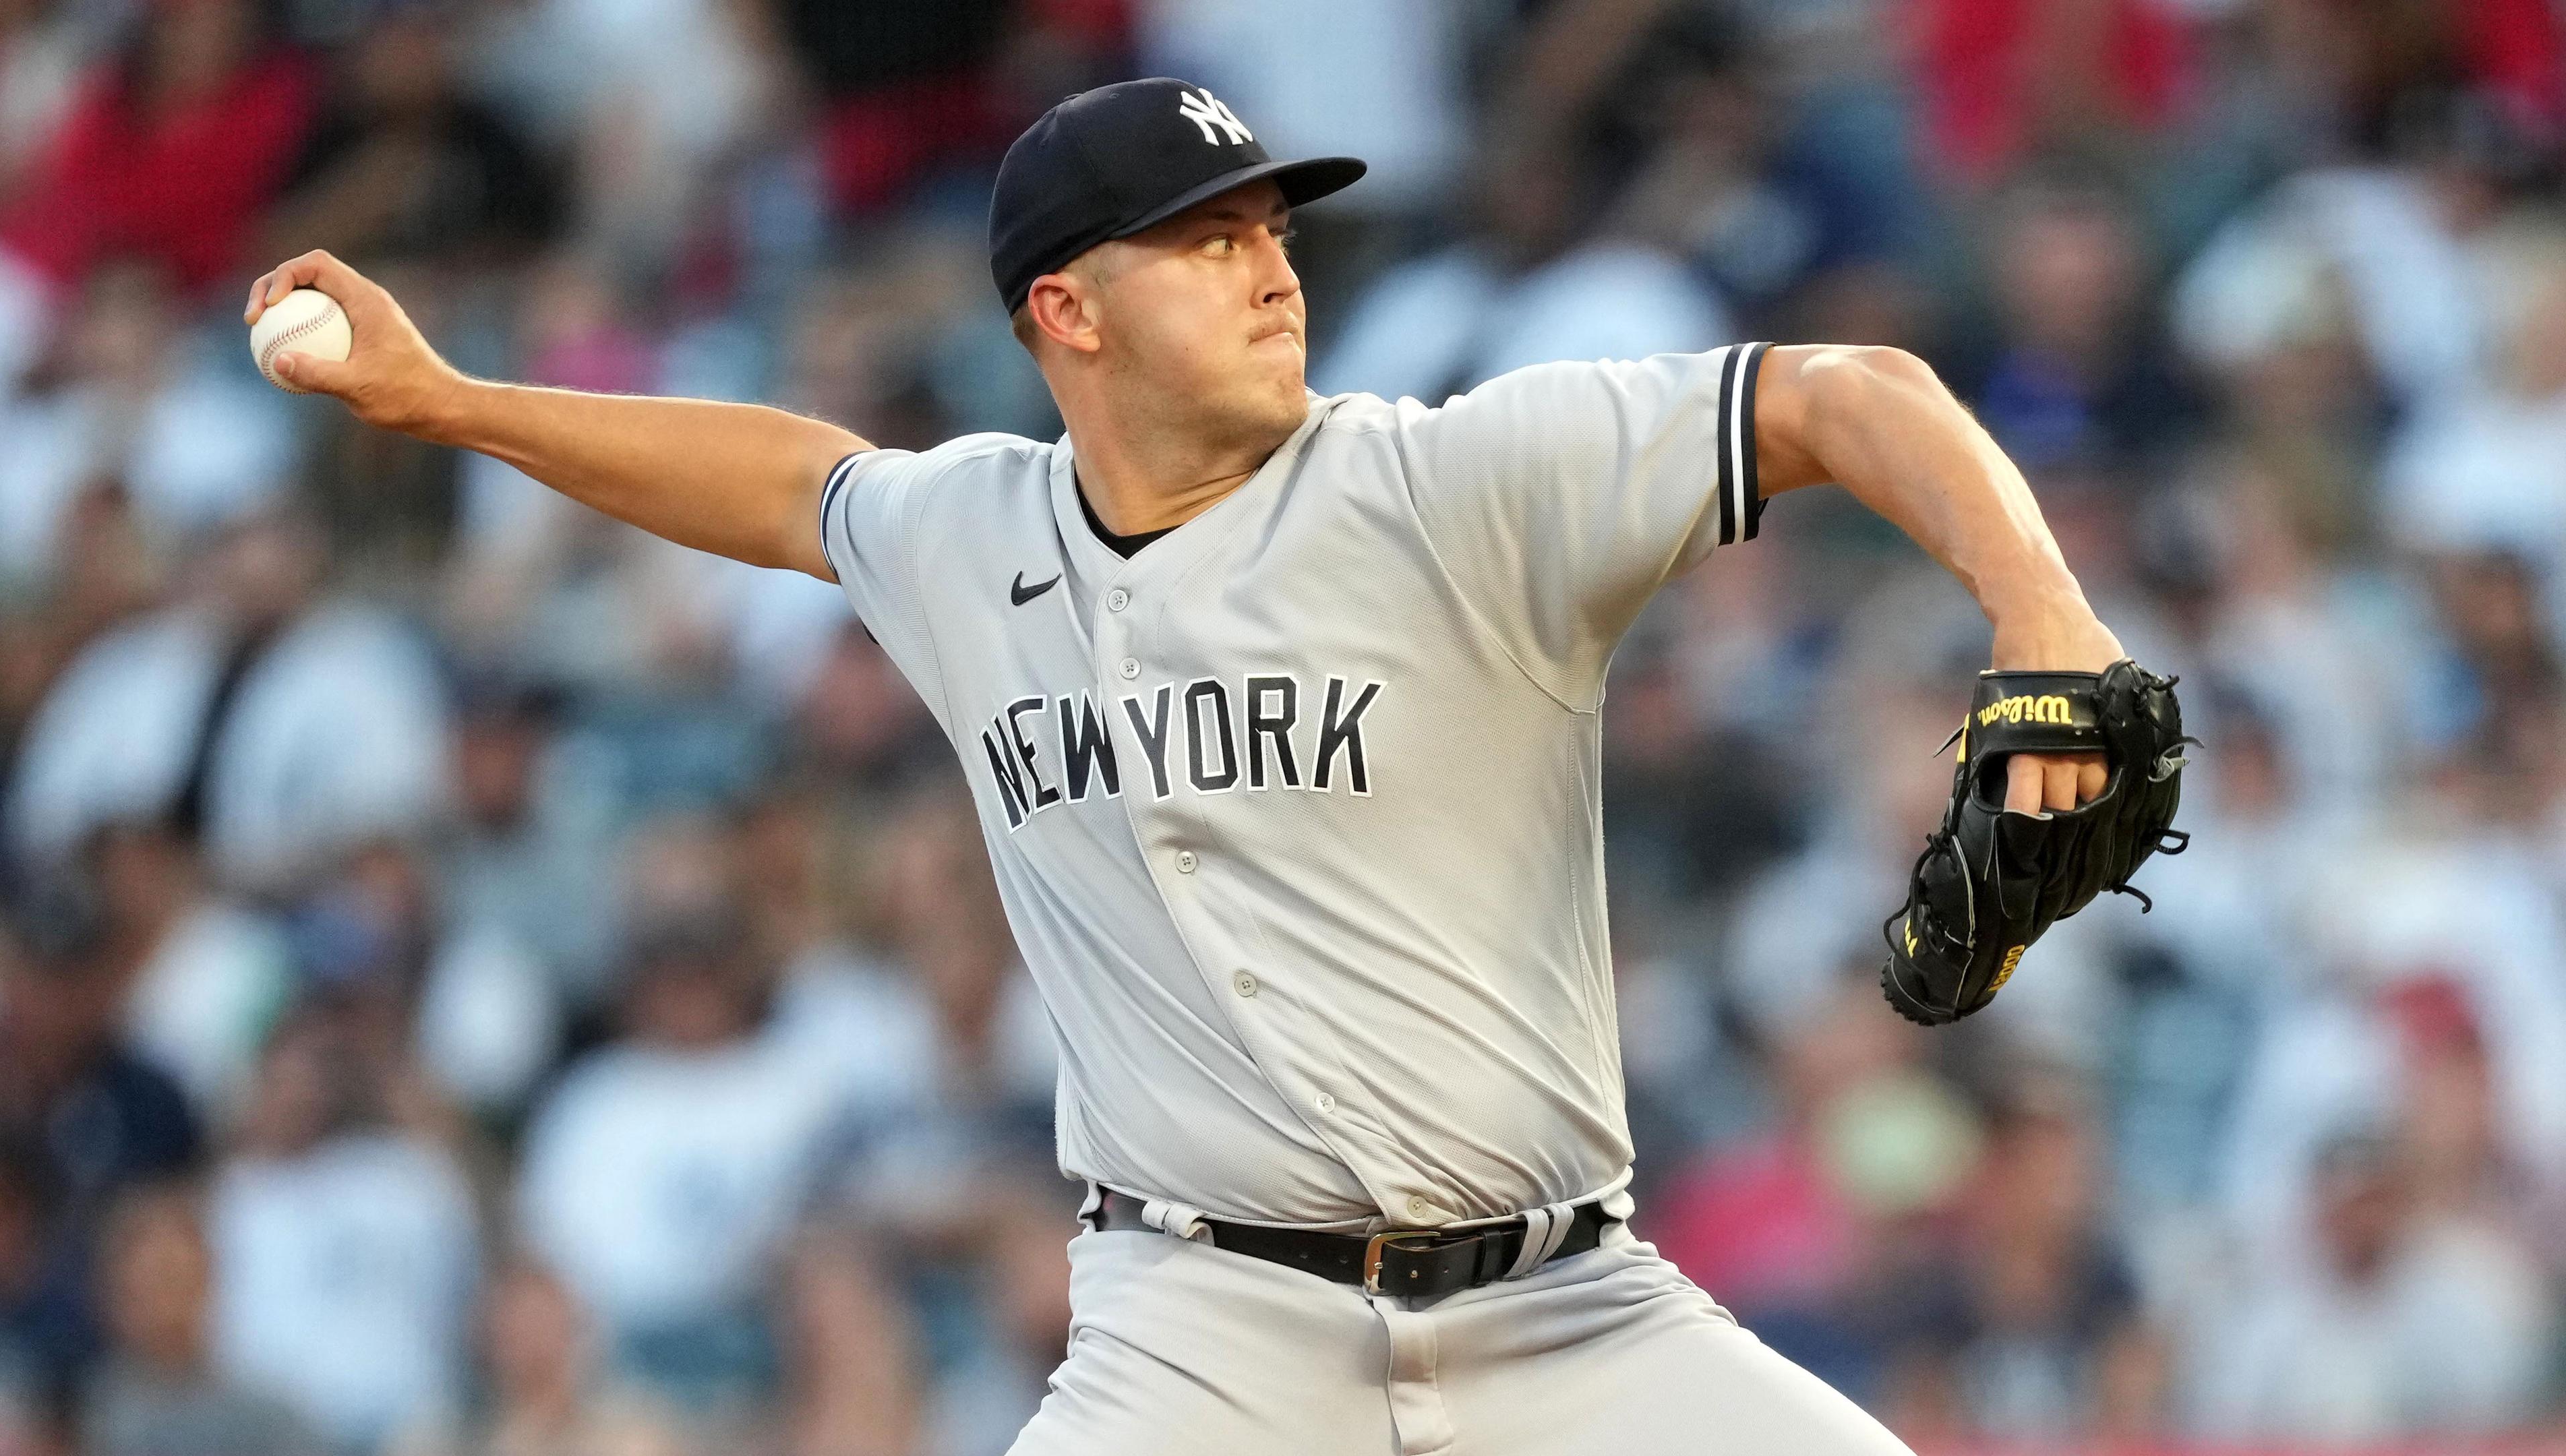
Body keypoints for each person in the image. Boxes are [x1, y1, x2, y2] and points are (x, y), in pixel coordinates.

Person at [244, 75, 2129, 1456]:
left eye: (1272, 228)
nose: (1269, 268)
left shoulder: (1453, 480)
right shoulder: (967, 535)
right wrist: (449, 401)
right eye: (1206, 238)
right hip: (1201, 1336)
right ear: (1062, 311)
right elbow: (779, 483)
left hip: (1569, 1310)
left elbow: (1840, 393)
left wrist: (2046, 615)